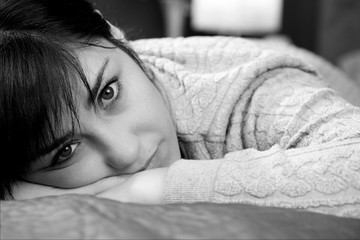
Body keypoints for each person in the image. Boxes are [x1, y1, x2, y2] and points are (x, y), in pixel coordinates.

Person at [1, 0, 359, 218]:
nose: (126, 153)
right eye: (65, 151)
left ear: (116, 35)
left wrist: (149, 190)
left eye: (108, 94)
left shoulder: (245, 90)